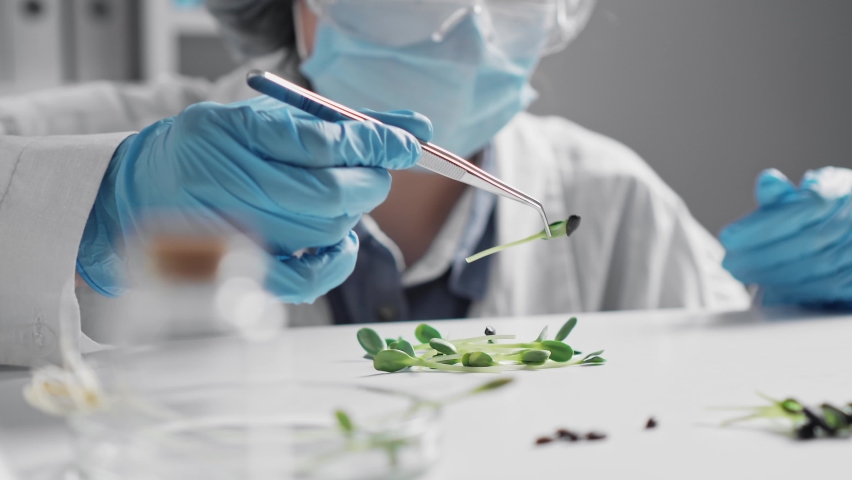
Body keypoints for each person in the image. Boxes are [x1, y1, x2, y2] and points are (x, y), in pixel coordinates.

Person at [0, 0, 848, 367]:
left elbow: (747, 368)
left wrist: (814, 297)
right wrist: (97, 204)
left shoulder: (614, 198)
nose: (470, 26)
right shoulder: (97, 143)